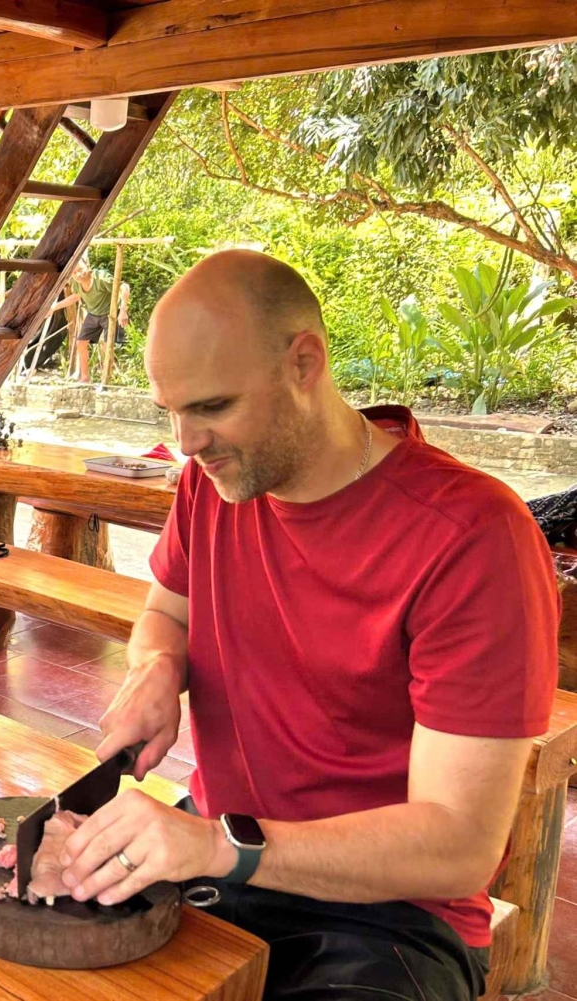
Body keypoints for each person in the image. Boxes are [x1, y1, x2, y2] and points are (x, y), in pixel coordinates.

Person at [54, 250, 557, 1000]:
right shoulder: (212, 484)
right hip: (222, 853)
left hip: (389, 917)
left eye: (214, 407)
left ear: (304, 363)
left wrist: (221, 845)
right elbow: (166, 611)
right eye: (173, 411)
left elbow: (458, 844)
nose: (187, 443)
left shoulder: (472, 535)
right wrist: (156, 668)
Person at [70, 253, 129, 383]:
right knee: (81, 343)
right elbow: (75, 297)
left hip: (110, 314)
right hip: (93, 314)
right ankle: (85, 378)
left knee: (106, 346)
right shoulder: (76, 283)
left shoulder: (100, 278)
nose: (78, 274)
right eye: (74, 273)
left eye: (80, 269)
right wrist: (53, 307)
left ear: (88, 266)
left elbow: (124, 287)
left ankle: (107, 377)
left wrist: (123, 310)